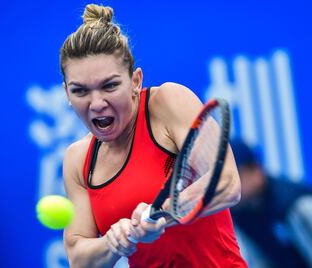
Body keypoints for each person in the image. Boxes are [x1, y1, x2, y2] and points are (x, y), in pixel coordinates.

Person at [60, 4, 246, 267]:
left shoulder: (168, 102)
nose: (97, 103)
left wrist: (160, 214)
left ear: (136, 81)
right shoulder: (78, 160)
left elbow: (227, 183)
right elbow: (79, 258)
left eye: (110, 85)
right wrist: (114, 241)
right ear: (67, 94)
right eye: (80, 91)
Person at [230, 139, 312, 268]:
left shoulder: (298, 205)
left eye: (235, 175)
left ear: (256, 170)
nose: (228, 185)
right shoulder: (240, 213)